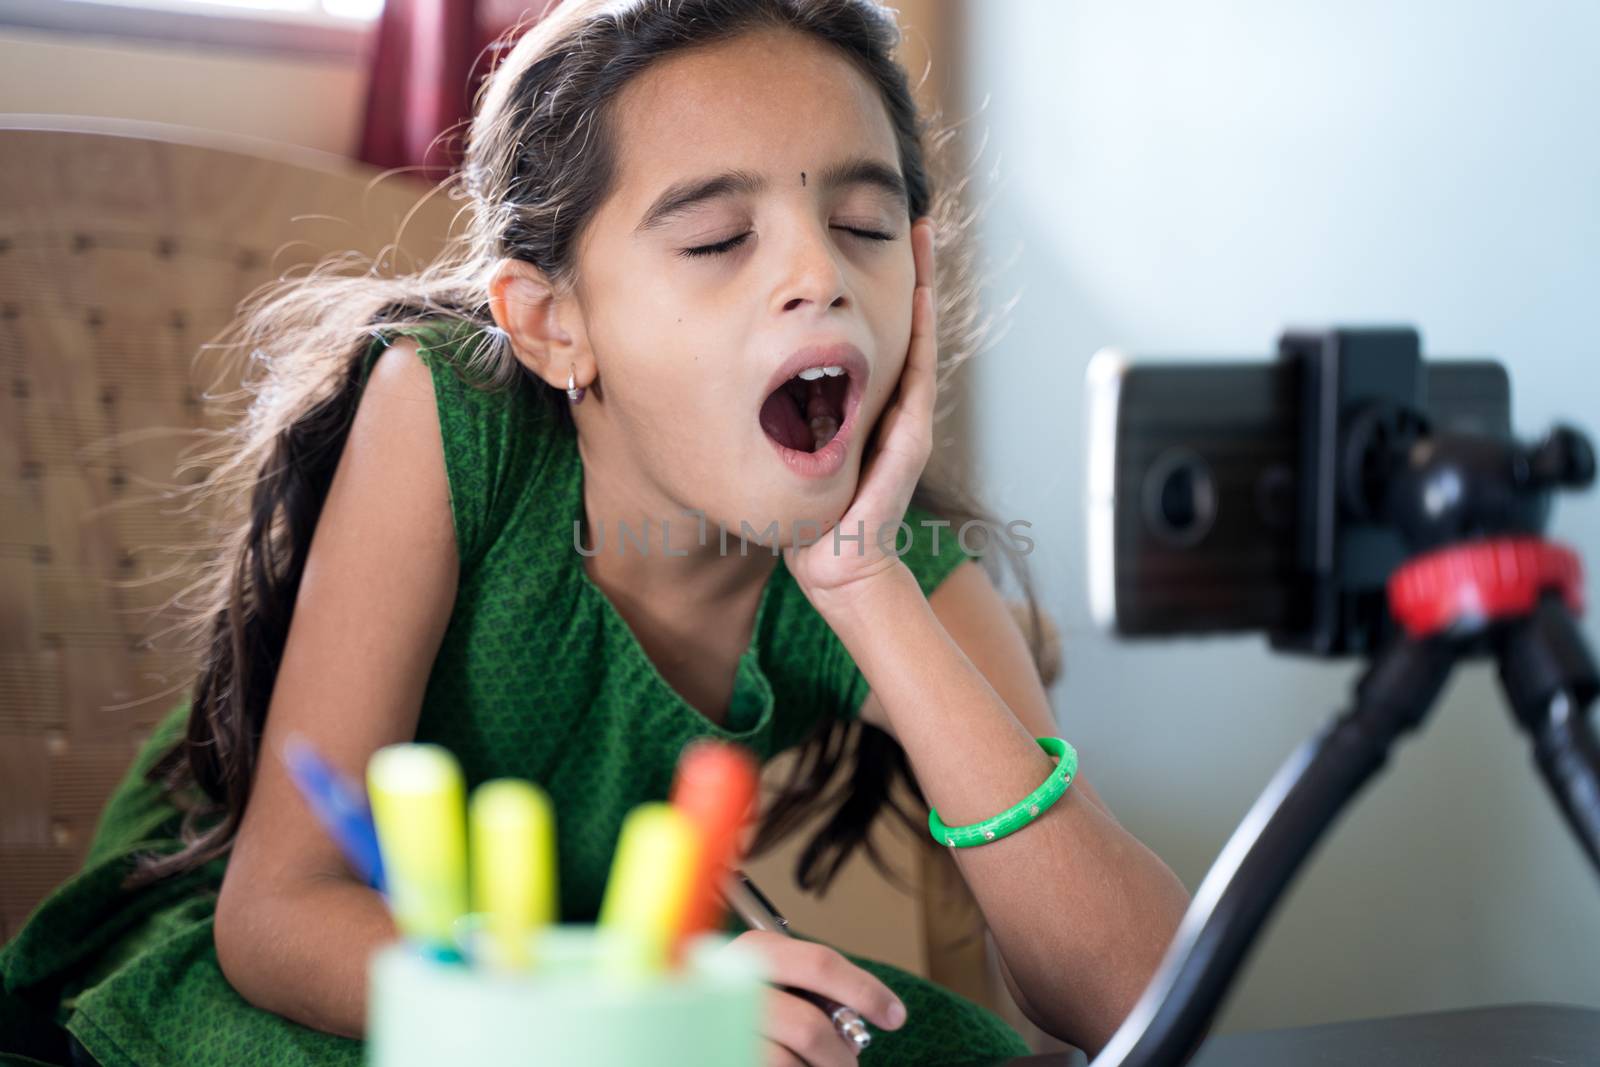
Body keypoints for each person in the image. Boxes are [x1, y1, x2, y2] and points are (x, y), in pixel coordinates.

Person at [0, 1, 1192, 1064]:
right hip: (318, 967)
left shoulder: (890, 552)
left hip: (621, 964)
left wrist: (864, 582)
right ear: (551, 325)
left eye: (868, 226)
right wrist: (589, 1020)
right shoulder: (445, 414)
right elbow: (277, 914)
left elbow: (1137, 995)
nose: (817, 274)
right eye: (719, 240)